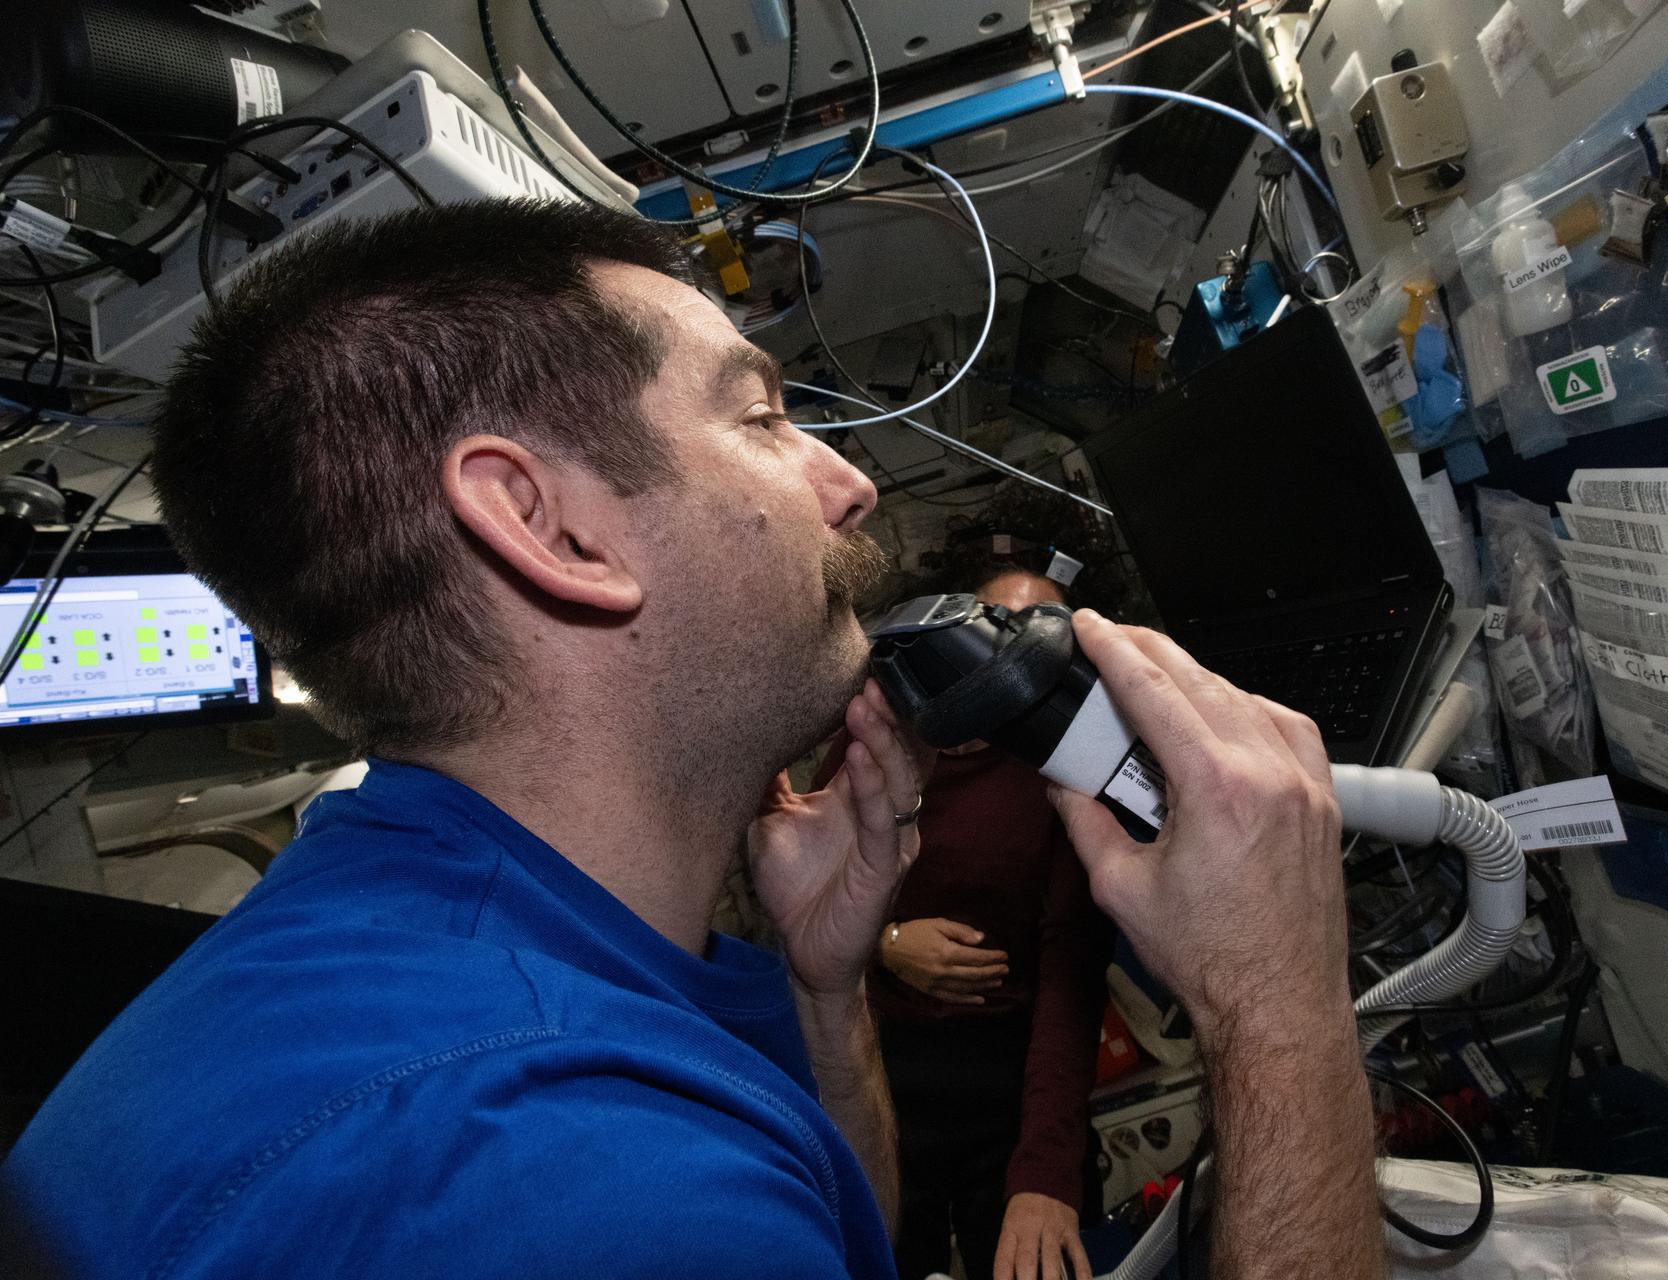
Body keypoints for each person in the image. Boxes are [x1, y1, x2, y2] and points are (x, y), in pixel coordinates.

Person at [0, 198, 1383, 1280]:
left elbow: (837, 1243)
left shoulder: (415, 932)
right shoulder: (555, 1188)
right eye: (765, 415)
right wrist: (1282, 1016)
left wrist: (829, 995)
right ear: (552, 529)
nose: (845, 485)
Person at [818, 567, 1113, 1280]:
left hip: (1011, 1082)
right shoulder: (876, 745)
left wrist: (1047, 1174)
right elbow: (808, 904)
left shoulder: (1064, 781)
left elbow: (1071, 978)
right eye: (991, 628)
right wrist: (886, 946)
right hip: (885, 1071)